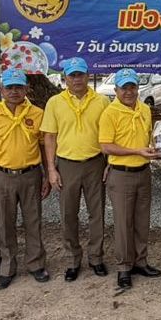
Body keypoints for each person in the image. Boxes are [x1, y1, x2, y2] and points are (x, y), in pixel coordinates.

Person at [42, 57, 111, 282]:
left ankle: (96, 258)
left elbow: (110, 135)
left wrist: (109, 163)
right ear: (65, 78)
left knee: (96, 213)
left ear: (88, 76)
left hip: (95, 163)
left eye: (80, 74)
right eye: (72, 75)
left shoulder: (102, 101)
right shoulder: (55, 102)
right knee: (68, 214)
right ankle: (73, 260)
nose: (77, 79)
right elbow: (49, 137)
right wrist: (51, 169)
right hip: (66, 164)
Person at [0, 69, 51, 290]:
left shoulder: (38, 113)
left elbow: (43, 146)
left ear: (26, 89)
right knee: (4, 223)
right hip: (3, 176)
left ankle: (36, 263)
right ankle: (8, 267)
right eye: (9, 87)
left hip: (31, 175)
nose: (14, 92)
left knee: (33, 220)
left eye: (18, 87)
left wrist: (47, 175)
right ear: (2, 90)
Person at [98, 68, 161, 289]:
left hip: (143, 172)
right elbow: (106, 146)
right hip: (122, 174)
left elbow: (147, 137)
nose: (128, 92)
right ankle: (124, 267)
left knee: (142, 221)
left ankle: (140, 262)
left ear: (138, 88)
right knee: (124, 223)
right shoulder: (109, 113)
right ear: (116, 90)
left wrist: (154, 148)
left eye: (132, 87)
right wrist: (136, 151)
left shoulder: (145, 109)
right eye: (124, 88)